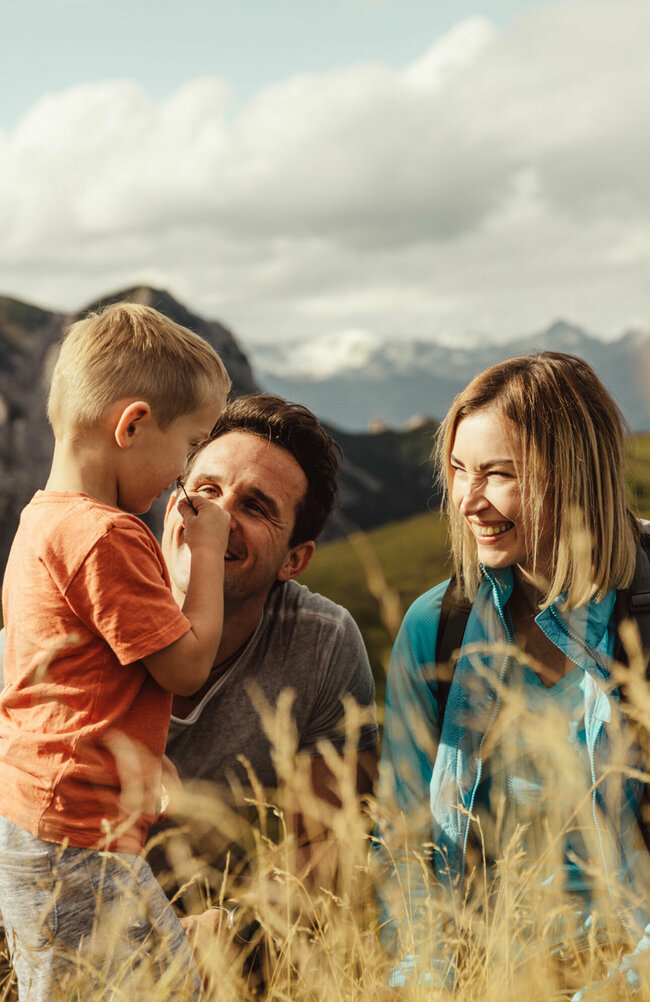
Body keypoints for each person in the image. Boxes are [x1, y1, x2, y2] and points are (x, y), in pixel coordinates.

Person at [374, 352, 650, 1000]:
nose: (468, 501)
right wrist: (432, 984)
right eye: (458, 470)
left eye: (499, 474)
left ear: (574, 474)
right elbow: (403, 845)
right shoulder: (436, 628)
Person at [0, 302, 231, 1001]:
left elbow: (74, 677)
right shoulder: (108, 535)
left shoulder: (41, 520)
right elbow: (186, 666)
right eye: (190, 445)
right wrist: (207, 555)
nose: (184, 471)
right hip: (81, 836)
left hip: (34, 814)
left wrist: (135, 747)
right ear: (131, 426)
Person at [154, 393, 379, 905]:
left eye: (254, 506)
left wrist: (229, 930)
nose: (217, 517)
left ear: (293, 561)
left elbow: (330, 849)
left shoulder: (320, 643)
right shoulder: (85, 601)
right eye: (206, 490)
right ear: (172, 507)